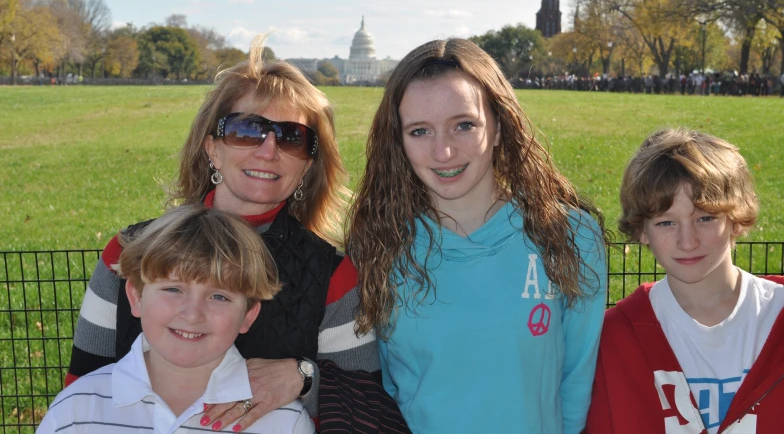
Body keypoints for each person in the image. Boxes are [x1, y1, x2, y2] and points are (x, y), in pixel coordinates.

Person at [66, 35, 408, 433]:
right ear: (213, 148)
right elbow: (83, 390)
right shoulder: (126, 254)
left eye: (292, 137)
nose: (268, 149)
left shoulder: (333, 274)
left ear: (308, 166)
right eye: (248, 130)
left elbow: (363, 400)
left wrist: (304, 377)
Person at [346, 38, 608, 434]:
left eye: (464, 125)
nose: (444, 152)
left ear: (499, 126)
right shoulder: (378, 245)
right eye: (420, 131)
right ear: (398, 141)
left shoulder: (570, 236)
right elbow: (378, 388)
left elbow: (575, 382)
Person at [38, 205, 315, 434]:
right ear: (136, 297)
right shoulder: (76, 410)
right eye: (173, 289)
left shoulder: (285, 422)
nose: (192, 314)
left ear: (248, 315)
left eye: (219, 297)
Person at [586, 128, 784, 434]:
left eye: (705, 218)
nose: (688, 241)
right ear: (641, 231)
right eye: (666, 223)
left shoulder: (776, 315)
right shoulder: (617, 338)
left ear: (736, 219)